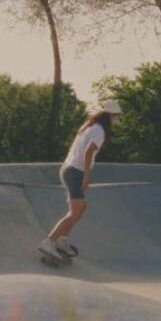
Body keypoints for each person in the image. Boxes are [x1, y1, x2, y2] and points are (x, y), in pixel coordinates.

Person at [38, 99, 122, 258]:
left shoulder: (89, 126)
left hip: (69, 169)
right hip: (75, 171)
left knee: (79, 209)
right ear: (110, 115)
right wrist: (86, 176)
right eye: (116, 116)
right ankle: (49, 241)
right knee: (75, 211)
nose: (117, 120)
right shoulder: (99, 131)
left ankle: (61, 240)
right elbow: (89, 152)